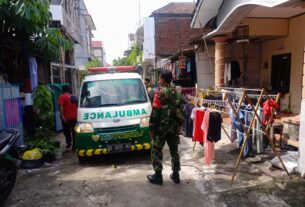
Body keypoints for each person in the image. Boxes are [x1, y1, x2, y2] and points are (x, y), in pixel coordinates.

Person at [147, 70, 184, 185]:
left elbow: (155, 113)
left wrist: (151, 129)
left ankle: (158, 176)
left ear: (162, 79)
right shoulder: (177, 93)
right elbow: (181, 110)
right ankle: (176, 175)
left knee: (156, 149)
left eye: (160, 78)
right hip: (174, 128)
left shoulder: (159, 93)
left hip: (161, 129)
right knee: (174, 151)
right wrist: (179, 126)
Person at [58, 85, 78, 150]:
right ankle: (74, 145)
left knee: (66, 131)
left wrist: (62, 116)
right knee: (74, 131)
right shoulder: (74, 97)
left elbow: (61, 107)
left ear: (63, 90)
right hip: (74, 117)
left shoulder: (61, 97)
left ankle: (69, 142)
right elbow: (77, 106)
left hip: (66, 118)